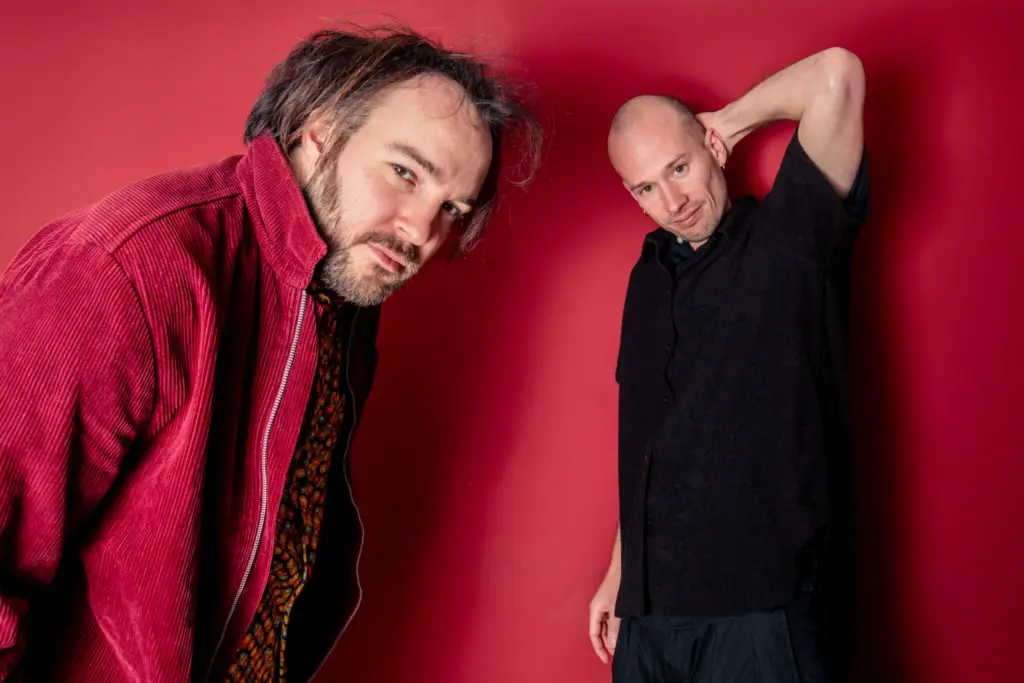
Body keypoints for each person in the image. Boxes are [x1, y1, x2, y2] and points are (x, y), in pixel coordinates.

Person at [0, 25, 540, 682]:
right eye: (404, 172)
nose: (423, 232)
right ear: (316, 134)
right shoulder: (134, 268)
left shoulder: (343, 290)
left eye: (451, 207)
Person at [589, 47, 869, 682]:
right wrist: (620, 575)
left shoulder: (789, 241)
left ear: (712, 146)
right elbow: (651, 443)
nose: (673, 200)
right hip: (650, 621)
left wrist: (730, 120)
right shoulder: (647, 276)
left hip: (758, 614)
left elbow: (837, 76)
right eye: (647, 187)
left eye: (680, 166)